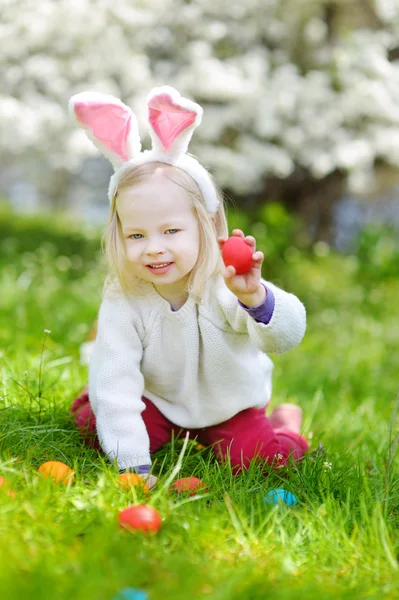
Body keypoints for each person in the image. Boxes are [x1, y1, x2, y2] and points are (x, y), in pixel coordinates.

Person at [69, 86, 309, 489]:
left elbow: (286, 336)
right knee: (97, 426)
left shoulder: (226, 284)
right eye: (137, 235)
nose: (154, 248)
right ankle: (91, 404)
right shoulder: (124, 297)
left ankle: (287, 422)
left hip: (227, 407)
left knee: (264, 461)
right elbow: (116, 378)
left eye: (171, 230)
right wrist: (133, 466)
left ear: (206, 226)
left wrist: (255, 298)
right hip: (159, 401)